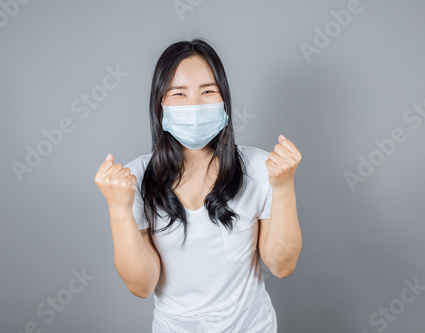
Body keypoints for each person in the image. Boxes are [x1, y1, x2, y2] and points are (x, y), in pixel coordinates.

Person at [94, 38, 303, 333]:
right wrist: (118, 209)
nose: (194, 104)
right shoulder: (135, 178)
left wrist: (283, 187)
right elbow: (142, 285)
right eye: (179, 93)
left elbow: (282, 266)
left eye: (207, 91)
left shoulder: (260, 167)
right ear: (160, 105)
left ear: (225, 101)